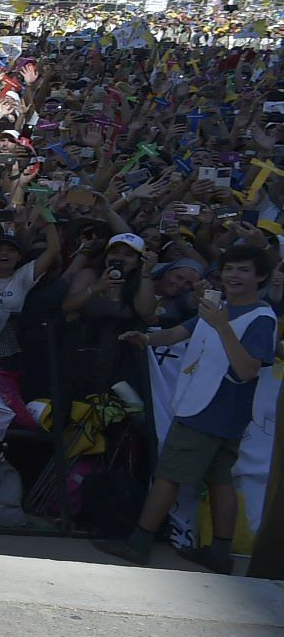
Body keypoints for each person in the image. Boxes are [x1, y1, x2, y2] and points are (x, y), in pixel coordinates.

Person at [98, 240, 278, 569]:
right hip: (217, 411)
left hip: (208, 410)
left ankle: (138, 543)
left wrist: (223, 327)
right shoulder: (221, 306)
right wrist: (148, 339)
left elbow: (249, 369)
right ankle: (220, 553)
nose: (233, 275)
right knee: (219, 479)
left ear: (262, 277)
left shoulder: (260, 318)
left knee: (168, 475)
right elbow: (180, 332)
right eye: (229, 269)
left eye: (243, 270)